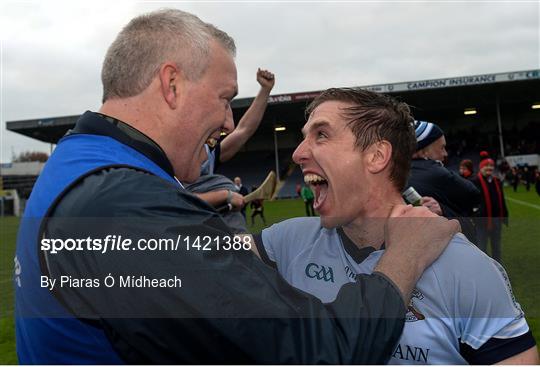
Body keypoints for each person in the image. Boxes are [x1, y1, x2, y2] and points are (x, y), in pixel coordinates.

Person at [14, 9, 460, 364]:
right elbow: (321, 352)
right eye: (226, 98)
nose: (228, 121)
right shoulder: (123, 204)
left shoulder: (81, 160)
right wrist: (405, 251)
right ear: (172, 85)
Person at [252, 88, 538, 365]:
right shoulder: (286, 239)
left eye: (321, 135)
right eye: (305, 138)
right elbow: (209, 251)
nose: (298, 153)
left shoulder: (466, 267)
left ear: (377, 156)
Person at [192, 68, 275, 211]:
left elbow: (244, 130)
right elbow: (173, 200)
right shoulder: (162, 156)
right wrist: (224, 195)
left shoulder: (210, 153)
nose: (228, 128)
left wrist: (265, 90)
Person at [408, 120, 480, 242]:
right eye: (441, 148)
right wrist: (445, 209)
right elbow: (473, 194)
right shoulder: (436, 173)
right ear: (423, 151)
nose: (445, 154)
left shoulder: (394, 173)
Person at [472, 152, 509, 263]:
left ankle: (497, 268)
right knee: (481, 247)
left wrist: (505, 215)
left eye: (491, 166)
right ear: (481, 168)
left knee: (496, 247)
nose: (489, 168)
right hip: (482, 221)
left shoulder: (497, 181)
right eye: (486, 166)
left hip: (496, 220)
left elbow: (501, 199)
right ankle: (483, 268)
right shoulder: (475, 181)